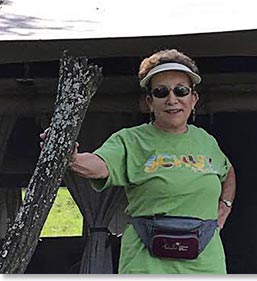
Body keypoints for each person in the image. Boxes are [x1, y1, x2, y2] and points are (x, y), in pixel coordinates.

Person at [40, 49, 236, 274]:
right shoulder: (130, 140)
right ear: (149, 102)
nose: (172, 99)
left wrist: (225, 207)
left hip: (205, 263)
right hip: (146, 263)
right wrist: (71, 158)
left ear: (194, 98)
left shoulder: (205, 140)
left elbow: (227, 171)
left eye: (180, 90)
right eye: (161, 92)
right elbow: (99, 165)